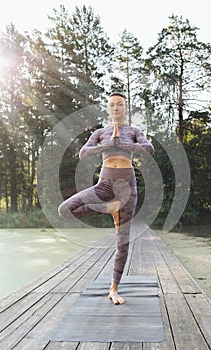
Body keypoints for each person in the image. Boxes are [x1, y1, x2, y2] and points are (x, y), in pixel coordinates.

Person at [58, 92, 154, 304]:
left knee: (123, 242)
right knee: (65, 210)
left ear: (125, 108)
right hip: (104, 186)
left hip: (127, 187)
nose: (116, 108)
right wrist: (108, 144)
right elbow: (84, 153)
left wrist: (125, 144)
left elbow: (149, 149)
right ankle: (108, 208)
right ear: (108, 109)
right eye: (112, 105)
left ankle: (114, 288)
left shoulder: (134, 131)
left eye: (120, 104)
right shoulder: (100, 132)